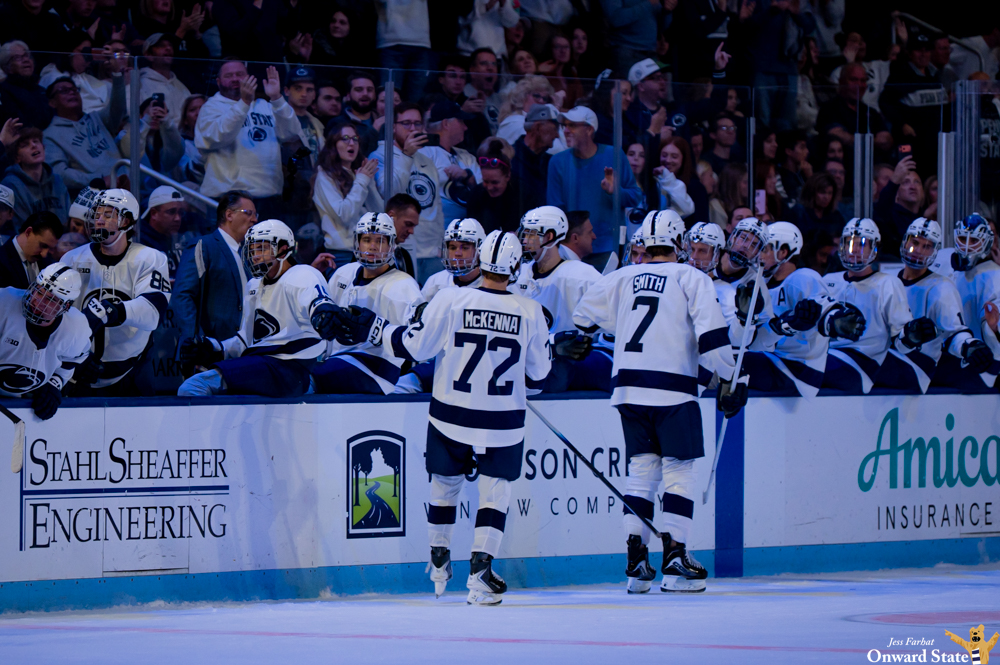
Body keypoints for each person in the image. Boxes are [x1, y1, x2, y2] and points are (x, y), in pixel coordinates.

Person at [333, 229, 550, 605]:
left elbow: (415, 347)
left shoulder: (450, 298)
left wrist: (377, 328)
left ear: (481, 259)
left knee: (444, 485)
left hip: (450, 412)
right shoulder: (529, 309)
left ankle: (438, 560)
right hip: (502, 419)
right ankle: (481, 572)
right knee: (495, 492)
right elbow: (539, 379)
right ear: (516, 266)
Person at [572, 209, 742, 594]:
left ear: (643, 244)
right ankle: (676, 558)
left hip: (628, 389)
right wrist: (732, 377)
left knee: (641, 471)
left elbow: (582, 318)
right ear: (679, 243)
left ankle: (636, 564)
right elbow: (713, 341)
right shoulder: (691, 276)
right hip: (673, 388)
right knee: (679, 472)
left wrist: (623, 325)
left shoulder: (621, 276)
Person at [177, 219, 336, 397]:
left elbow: (322, 309)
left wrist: (324, 315)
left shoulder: (303, 274)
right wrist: (212, 347)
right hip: (264, 364)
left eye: (262, 249)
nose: (255, 256)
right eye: (252, 250)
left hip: (289, 367)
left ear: (283, 249)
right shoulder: (254, 285)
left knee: (193, 387)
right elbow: (245, 341)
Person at [60, 189, 171, 396]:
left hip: (132, 371)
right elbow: (59, 316)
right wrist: (76, 355)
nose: (99, 220)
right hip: (81, 368)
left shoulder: (150, 258)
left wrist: (113, 311)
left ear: (127, 220)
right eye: (96, 214)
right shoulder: (71, 259)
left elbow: (152, 312)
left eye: (108, 214)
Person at [311, 213, 421, 395]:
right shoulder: (343, 274)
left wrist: (377, 330)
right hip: (336, 359)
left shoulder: (405, 286)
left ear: (391, 245)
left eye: (380, 241)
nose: (372, 246)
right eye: (367, 239)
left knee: (308, 379)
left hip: (377, 368)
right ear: (357, 242)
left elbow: (417, 342)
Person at [873, 218, 986, 393]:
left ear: (935, 251)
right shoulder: (887, 279)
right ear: (906, 241)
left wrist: (969, 347)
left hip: (918, 365)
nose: (918, 251)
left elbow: (954, 332)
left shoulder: (942, 287)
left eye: (926, 247)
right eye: (915, 242)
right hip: (888, 356)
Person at [820, 218, 926, 395]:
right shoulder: (828, 280)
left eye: (861, 245)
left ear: (874, 249)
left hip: (862, 362)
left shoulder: (888, 283)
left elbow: (902, 341)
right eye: (849, 244)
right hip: (827, 354)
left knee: (806, 370)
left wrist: (911, 336)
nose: (853, 250)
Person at [514, 205, 607, 392]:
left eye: (531, 234)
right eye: (524, 234)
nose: (525, 240)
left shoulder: (582, 276)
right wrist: (555, 343)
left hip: (563, 365)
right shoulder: (518, 274)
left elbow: (608, 324)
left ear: (549, 237)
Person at [394, 217, 488, 394]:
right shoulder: (436, 281)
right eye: (452, 247)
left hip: (476, 367)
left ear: (480, 249)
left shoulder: (491, 284)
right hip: (434, 362)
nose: (457, 254)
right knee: (397, 389)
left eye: (465, 247)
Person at [194, 62, 300, 218]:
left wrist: (277, 98)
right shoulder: (211, 108)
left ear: (250, 78)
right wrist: (244, 103)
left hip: (269, 196)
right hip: (228, 198)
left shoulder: (265, 106)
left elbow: (291, 134)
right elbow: (216, 138)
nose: (235, 79)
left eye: (240, 74)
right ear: (218, 82)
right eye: (229, 76)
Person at [547, 106, 642, 269]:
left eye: (573, 126)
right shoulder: (557, 162)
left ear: (589, 130)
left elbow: (635, 196)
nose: (567, 131)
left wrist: (615, 192)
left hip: (609, 249)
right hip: (572, 251)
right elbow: (555, 210)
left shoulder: (614, 155)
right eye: (565, 126)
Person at [0, 264, 90, 420]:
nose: (38, 301)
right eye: (38, 292)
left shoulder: (76, 328)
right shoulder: (3, 303)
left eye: (50, 299)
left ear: (65, 306)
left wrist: (54, 384)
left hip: (22, 403)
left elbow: (72, 360)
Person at [172, 191, 256, 355]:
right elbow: (183, 295)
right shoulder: (203, 245)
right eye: (249, 213)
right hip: (209, 351)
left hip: (245, 352)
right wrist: (195, 343)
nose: (255, 219)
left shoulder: (249, 254)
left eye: (255, 214)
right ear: (229, 215)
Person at [368, 102, 443, 285]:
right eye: (406, 123)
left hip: (433, 250)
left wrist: (441, 243)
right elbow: (389, 194)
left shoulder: (426, 160)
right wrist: (406, 156)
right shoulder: (379, 156)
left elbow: (436, 206)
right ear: (393, 127)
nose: (412, 129)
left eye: (417, 124)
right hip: (403, 248)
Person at [938, 213, 1000, 391]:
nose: (966, 246)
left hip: (981, 363)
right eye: (963, 238)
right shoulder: (943, 259)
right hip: (954, 351)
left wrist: (995, 328)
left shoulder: (994, 275)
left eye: (973, 240)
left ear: (987, 242)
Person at [43, 72, 126, 194]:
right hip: (97, 196)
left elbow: (118, 108)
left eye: (74, 89)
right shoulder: (50, 135)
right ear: (52, 102)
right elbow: (59, 173)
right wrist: (100, 180)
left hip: (127, 183)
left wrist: (118, 76)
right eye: (64, 91)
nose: (72, 92)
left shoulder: (97, 118)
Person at [314, 122, 382, 268]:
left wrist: (368, 182)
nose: (351, 143)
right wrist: (362, 181)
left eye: (355, 138)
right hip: (341, 254)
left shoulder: (357, 175)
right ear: (333, 144)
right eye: (345, 138)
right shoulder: (324, 176)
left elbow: (378, 213)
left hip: (364, 251)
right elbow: (343, 215)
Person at [421, 100, 481, 223]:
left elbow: (484, 194)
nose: (465, 127)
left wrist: (468, 177)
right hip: (434, 233)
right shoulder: (424, 154)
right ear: (445, 124)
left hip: (468, 231)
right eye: (460, 121)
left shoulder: (467, 157)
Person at [816, 63, 894, 155]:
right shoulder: (829, 108)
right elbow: (837, 136)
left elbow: (886, 141)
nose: (859, 85)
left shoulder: (870, 112)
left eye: (863, 81)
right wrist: (874, 142)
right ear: (842, 82)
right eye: (854, 80)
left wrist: (854, 139)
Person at [2, 127, 70, 227]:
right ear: (17, 157)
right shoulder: (10, 185)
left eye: (36, 141)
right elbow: (22, 229)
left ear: (43, 147)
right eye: (25, 145)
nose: (33, 146)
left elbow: (68, 219)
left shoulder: (57, 180)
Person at [138, 185, 195, 282]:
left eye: (180, 213)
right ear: (154, 213)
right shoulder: (140, 241)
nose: (178, 218)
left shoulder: (182, 238)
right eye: (171, 212)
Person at [510, 104, 560, 212]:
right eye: (555, 128)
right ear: (537, 128)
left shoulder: (551, 163)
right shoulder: (510, 161)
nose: (557, 135)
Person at [465, 143, 523, 235]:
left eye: (495, 182)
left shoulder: (524, 195)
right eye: (486, 181)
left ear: (508, 176)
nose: (489, 187)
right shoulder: (476, 195)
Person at [138, 33, 193, 127]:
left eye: (170, 45)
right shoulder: (140, 85)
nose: (168, 48)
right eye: (161, 46)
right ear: (148, 55)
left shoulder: (181, 86)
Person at [873, 156, 922, 259]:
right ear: (896, 193)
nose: (912, 187)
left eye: (916, 182)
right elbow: (883, 208)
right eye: (905, 182)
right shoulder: (890, 217)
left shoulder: (926, 218)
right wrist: (894, 180)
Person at [0, 211, 62, 288]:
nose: (44, 254)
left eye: (50, 248)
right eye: (42, 245)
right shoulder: (2, 260)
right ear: (28, 232)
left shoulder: (47, 264)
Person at [0, 41, 52, 130]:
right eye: (17, 58)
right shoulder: (4, 91)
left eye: (27, 55)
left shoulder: (42, 90)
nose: (26, 60)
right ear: (6, 67)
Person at [333, 73, 378, 157]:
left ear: (375, 95)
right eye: (359, 90)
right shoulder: (338, 123)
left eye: (370, 90)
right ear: (348, 95)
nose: (365, 93)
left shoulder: (383, 122)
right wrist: (374, 131)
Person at [791, 172, 845, 238]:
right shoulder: (798, 213)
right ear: (812, 192)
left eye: (830, 193)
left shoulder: (836, 217)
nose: (826, 197)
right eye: (822, 192)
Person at [775, 130, 810, 211]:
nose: (807, 151)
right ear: (789, 151)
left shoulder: (803, 173)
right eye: (802, 147)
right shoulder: (780, 177)